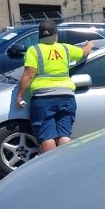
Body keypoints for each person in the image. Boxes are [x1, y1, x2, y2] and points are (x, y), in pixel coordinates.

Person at [15, 19, 93, 153]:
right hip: (66, 97)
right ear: (56, 35)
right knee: (64, 134)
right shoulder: (65, 48)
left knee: (47, 136)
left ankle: (49, 168)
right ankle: (64, 164)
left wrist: (19, 95)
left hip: (43, 100)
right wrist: (90, 43)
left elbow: (28, 76)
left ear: (39, 36)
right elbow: (85, 52)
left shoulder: (34, 50)